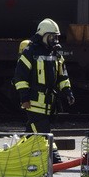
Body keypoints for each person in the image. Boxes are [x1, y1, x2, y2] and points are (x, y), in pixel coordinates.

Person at [13, 18, 74, 165]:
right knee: (43, 130)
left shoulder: (56, 54)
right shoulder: (30, 52)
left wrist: (68, 92)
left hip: (49, 103)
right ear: (43, 35)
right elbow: (20, 78)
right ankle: (54, 158)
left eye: (56, 36)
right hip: (34, 102)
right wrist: (24, 98)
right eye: (52, 36)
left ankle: (14, 157)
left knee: (31, 131)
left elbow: (62, 76)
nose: (55, 40)